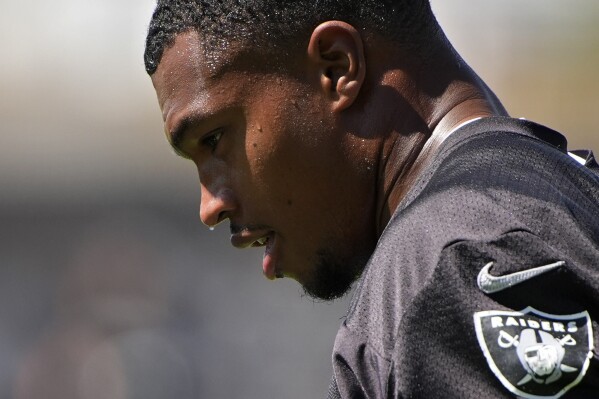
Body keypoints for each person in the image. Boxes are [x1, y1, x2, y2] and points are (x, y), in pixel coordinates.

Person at [144, 1, 599, 397]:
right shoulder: (542, 201)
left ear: (336, 68)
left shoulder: (465, 252)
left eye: (215, 139)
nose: (209, 206)